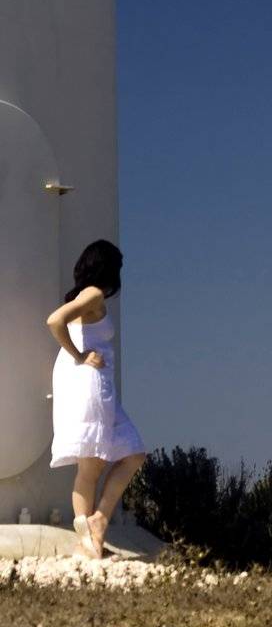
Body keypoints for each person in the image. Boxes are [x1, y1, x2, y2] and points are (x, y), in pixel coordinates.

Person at [43, 240, 147, 559]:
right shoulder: (93, 294)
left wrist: (77, 355)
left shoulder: (83, 295)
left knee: (131, 453)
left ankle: (96, 524)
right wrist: (81, 355)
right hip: (90, 385)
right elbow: (54, 320)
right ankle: (91, 539)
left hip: (89, 385)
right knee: (93, 465)